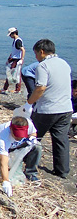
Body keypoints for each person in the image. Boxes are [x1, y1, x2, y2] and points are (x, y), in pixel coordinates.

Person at [20, 39, 72, 179]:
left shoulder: (42, 66)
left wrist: (29, 102)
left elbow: (41, 87)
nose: (36, 57)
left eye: (36, 53)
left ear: (41, 52)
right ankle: (62, 171)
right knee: (61, 140)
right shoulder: (65, 64)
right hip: (66, 108)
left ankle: (25, 162)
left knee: (33, 136)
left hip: (47, 109)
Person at [0, 116, 42, 196]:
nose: (18, 138)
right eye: (16, 135)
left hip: (15, 146)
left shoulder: (29, 123)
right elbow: (3, 162)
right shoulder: (4, 135)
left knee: (37, 146)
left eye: (21, 135)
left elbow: (33, 133)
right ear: (10, 129)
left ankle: (31, 173)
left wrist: (32, 138)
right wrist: (6, 181)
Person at [1, 27, 25, 94]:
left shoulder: (18, 41)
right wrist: (9, 59)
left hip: (17, 60)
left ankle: (7, 89)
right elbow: (14, 51)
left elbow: (23, 50)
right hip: (14, 58)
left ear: (14, 33)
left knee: (11, 74)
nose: (10, 36)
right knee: (16, 74)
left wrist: (21, 59)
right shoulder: (15, 40)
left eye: (10, 34)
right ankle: (16, 89)